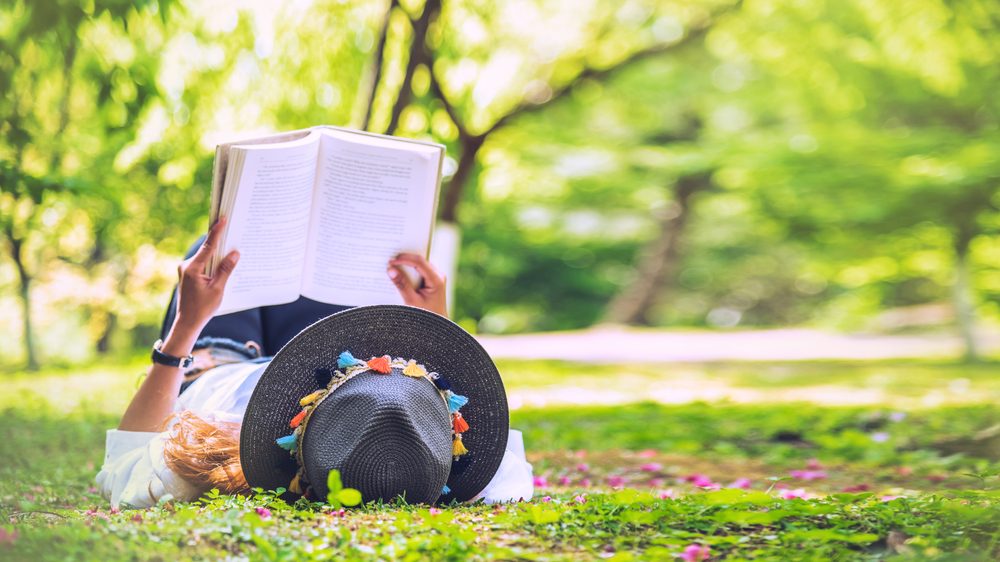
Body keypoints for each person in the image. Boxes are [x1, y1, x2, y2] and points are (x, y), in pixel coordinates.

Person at [96, 219, 533, 509]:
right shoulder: (482, 479)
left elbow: (121, 467)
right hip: (333, 359)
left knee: (232, 243)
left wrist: (185, 327)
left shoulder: (196, 463)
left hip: (217, 362)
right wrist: (433, 317)